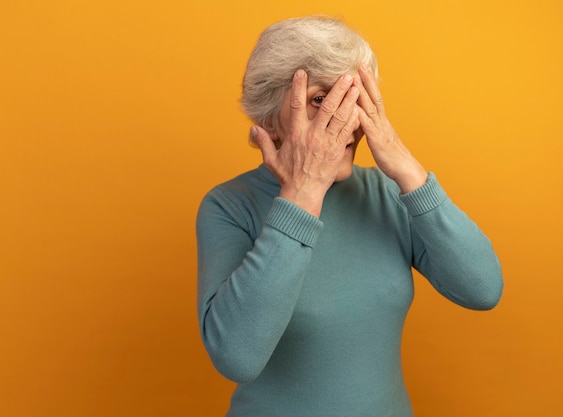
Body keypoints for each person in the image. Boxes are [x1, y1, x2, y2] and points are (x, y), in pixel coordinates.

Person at [196, 15, 503, 417]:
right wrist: (302, 193)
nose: (345, 120)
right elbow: (236, 356)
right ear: (272, 115)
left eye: (355, 99)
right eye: (321, 100)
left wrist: (406, 168)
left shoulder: (388, 195)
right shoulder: (228, 206)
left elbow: (482, 290)